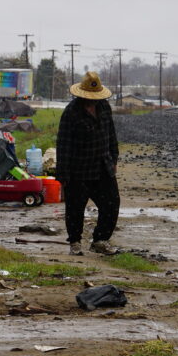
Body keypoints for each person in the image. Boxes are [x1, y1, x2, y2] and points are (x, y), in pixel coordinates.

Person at [55, 71, 120, 256]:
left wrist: (114, 158)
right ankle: (75, 243)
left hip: (103, 166)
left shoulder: (104, 107)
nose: (92, 100)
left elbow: (111, 135)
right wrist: (63, 175)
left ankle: (100, 240)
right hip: (78, 169)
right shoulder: (71, 112)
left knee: (112, 203)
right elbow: (63, 144)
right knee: (75, 208)